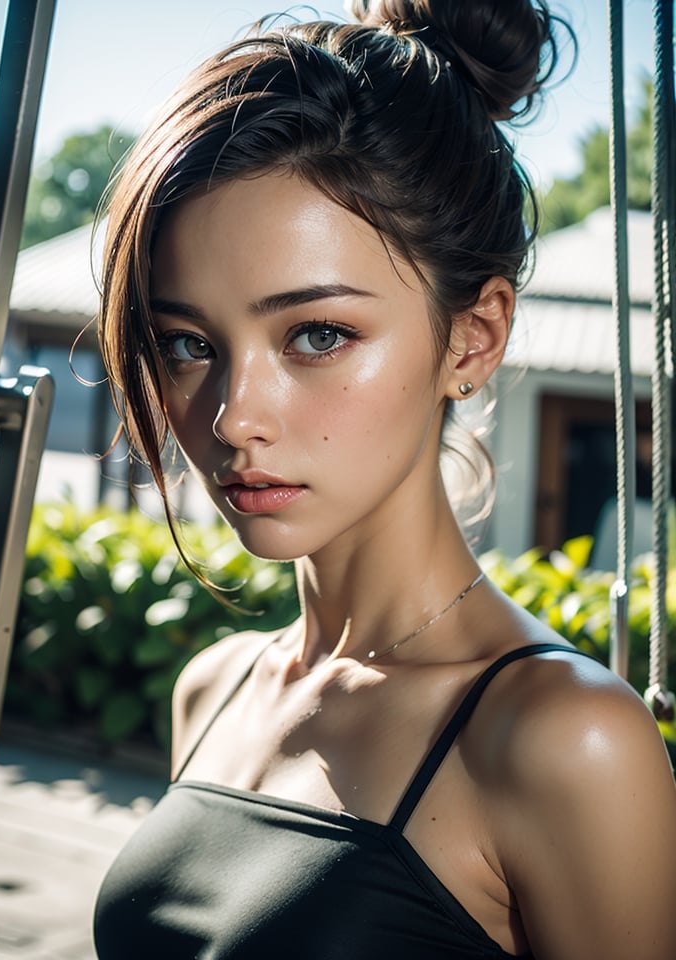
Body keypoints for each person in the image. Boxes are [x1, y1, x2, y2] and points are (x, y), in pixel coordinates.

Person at [92, 2, 676, 957]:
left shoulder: (564, 741)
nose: (237, 415)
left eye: (317, 335)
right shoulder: (214, 689)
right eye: (188, 343)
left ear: (474, 338)